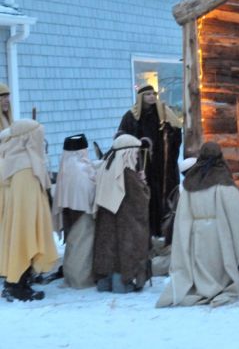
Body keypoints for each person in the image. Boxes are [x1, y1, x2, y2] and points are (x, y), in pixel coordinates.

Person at [157, 142, 239, 308]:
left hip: (196, 234)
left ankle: (202, 286)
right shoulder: (222, 181)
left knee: (202, 267)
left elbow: (183, 216)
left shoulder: (190, 183)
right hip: (217, 234)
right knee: (217, 267)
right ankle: (216, 287)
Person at [0, 119, 57, 301]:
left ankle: (19, 283)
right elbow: (26, 199)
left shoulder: (21, 159)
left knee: (22, 243)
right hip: (24, 219)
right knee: (22, 243)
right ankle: (17, 286)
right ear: (27, 138)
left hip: (25, 216)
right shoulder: (23, 165)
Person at [117, 85, 182, 236]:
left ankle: (163, 230)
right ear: (141, 97)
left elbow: (177, 130)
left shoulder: (164, 113)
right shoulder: (130, 116)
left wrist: (170, 134)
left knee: (162, 196)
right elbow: (122, 138)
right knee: (145, 196)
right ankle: (146, 231)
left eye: (153, 94)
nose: (152, 97)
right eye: (147, 94)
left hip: (161, 165)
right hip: (140, 165)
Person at [93, 134, 151, 294]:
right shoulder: (127, 174)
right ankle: (122, 283)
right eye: (135, 152)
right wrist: (143, 184)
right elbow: (141, 200)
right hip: (126, 222)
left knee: (108, 250)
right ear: (128, 153)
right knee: (123, 251)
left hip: (107, 220)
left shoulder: (107, 168)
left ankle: (105, 282)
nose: (137, 156)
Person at [51, 134, 97, 289]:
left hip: (69, 209)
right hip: (82, 210)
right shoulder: (79, 167)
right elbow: (87, 188)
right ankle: (80, 279)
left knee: (73, 244)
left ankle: (70, 277)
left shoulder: (67, 164)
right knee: (82, 246)